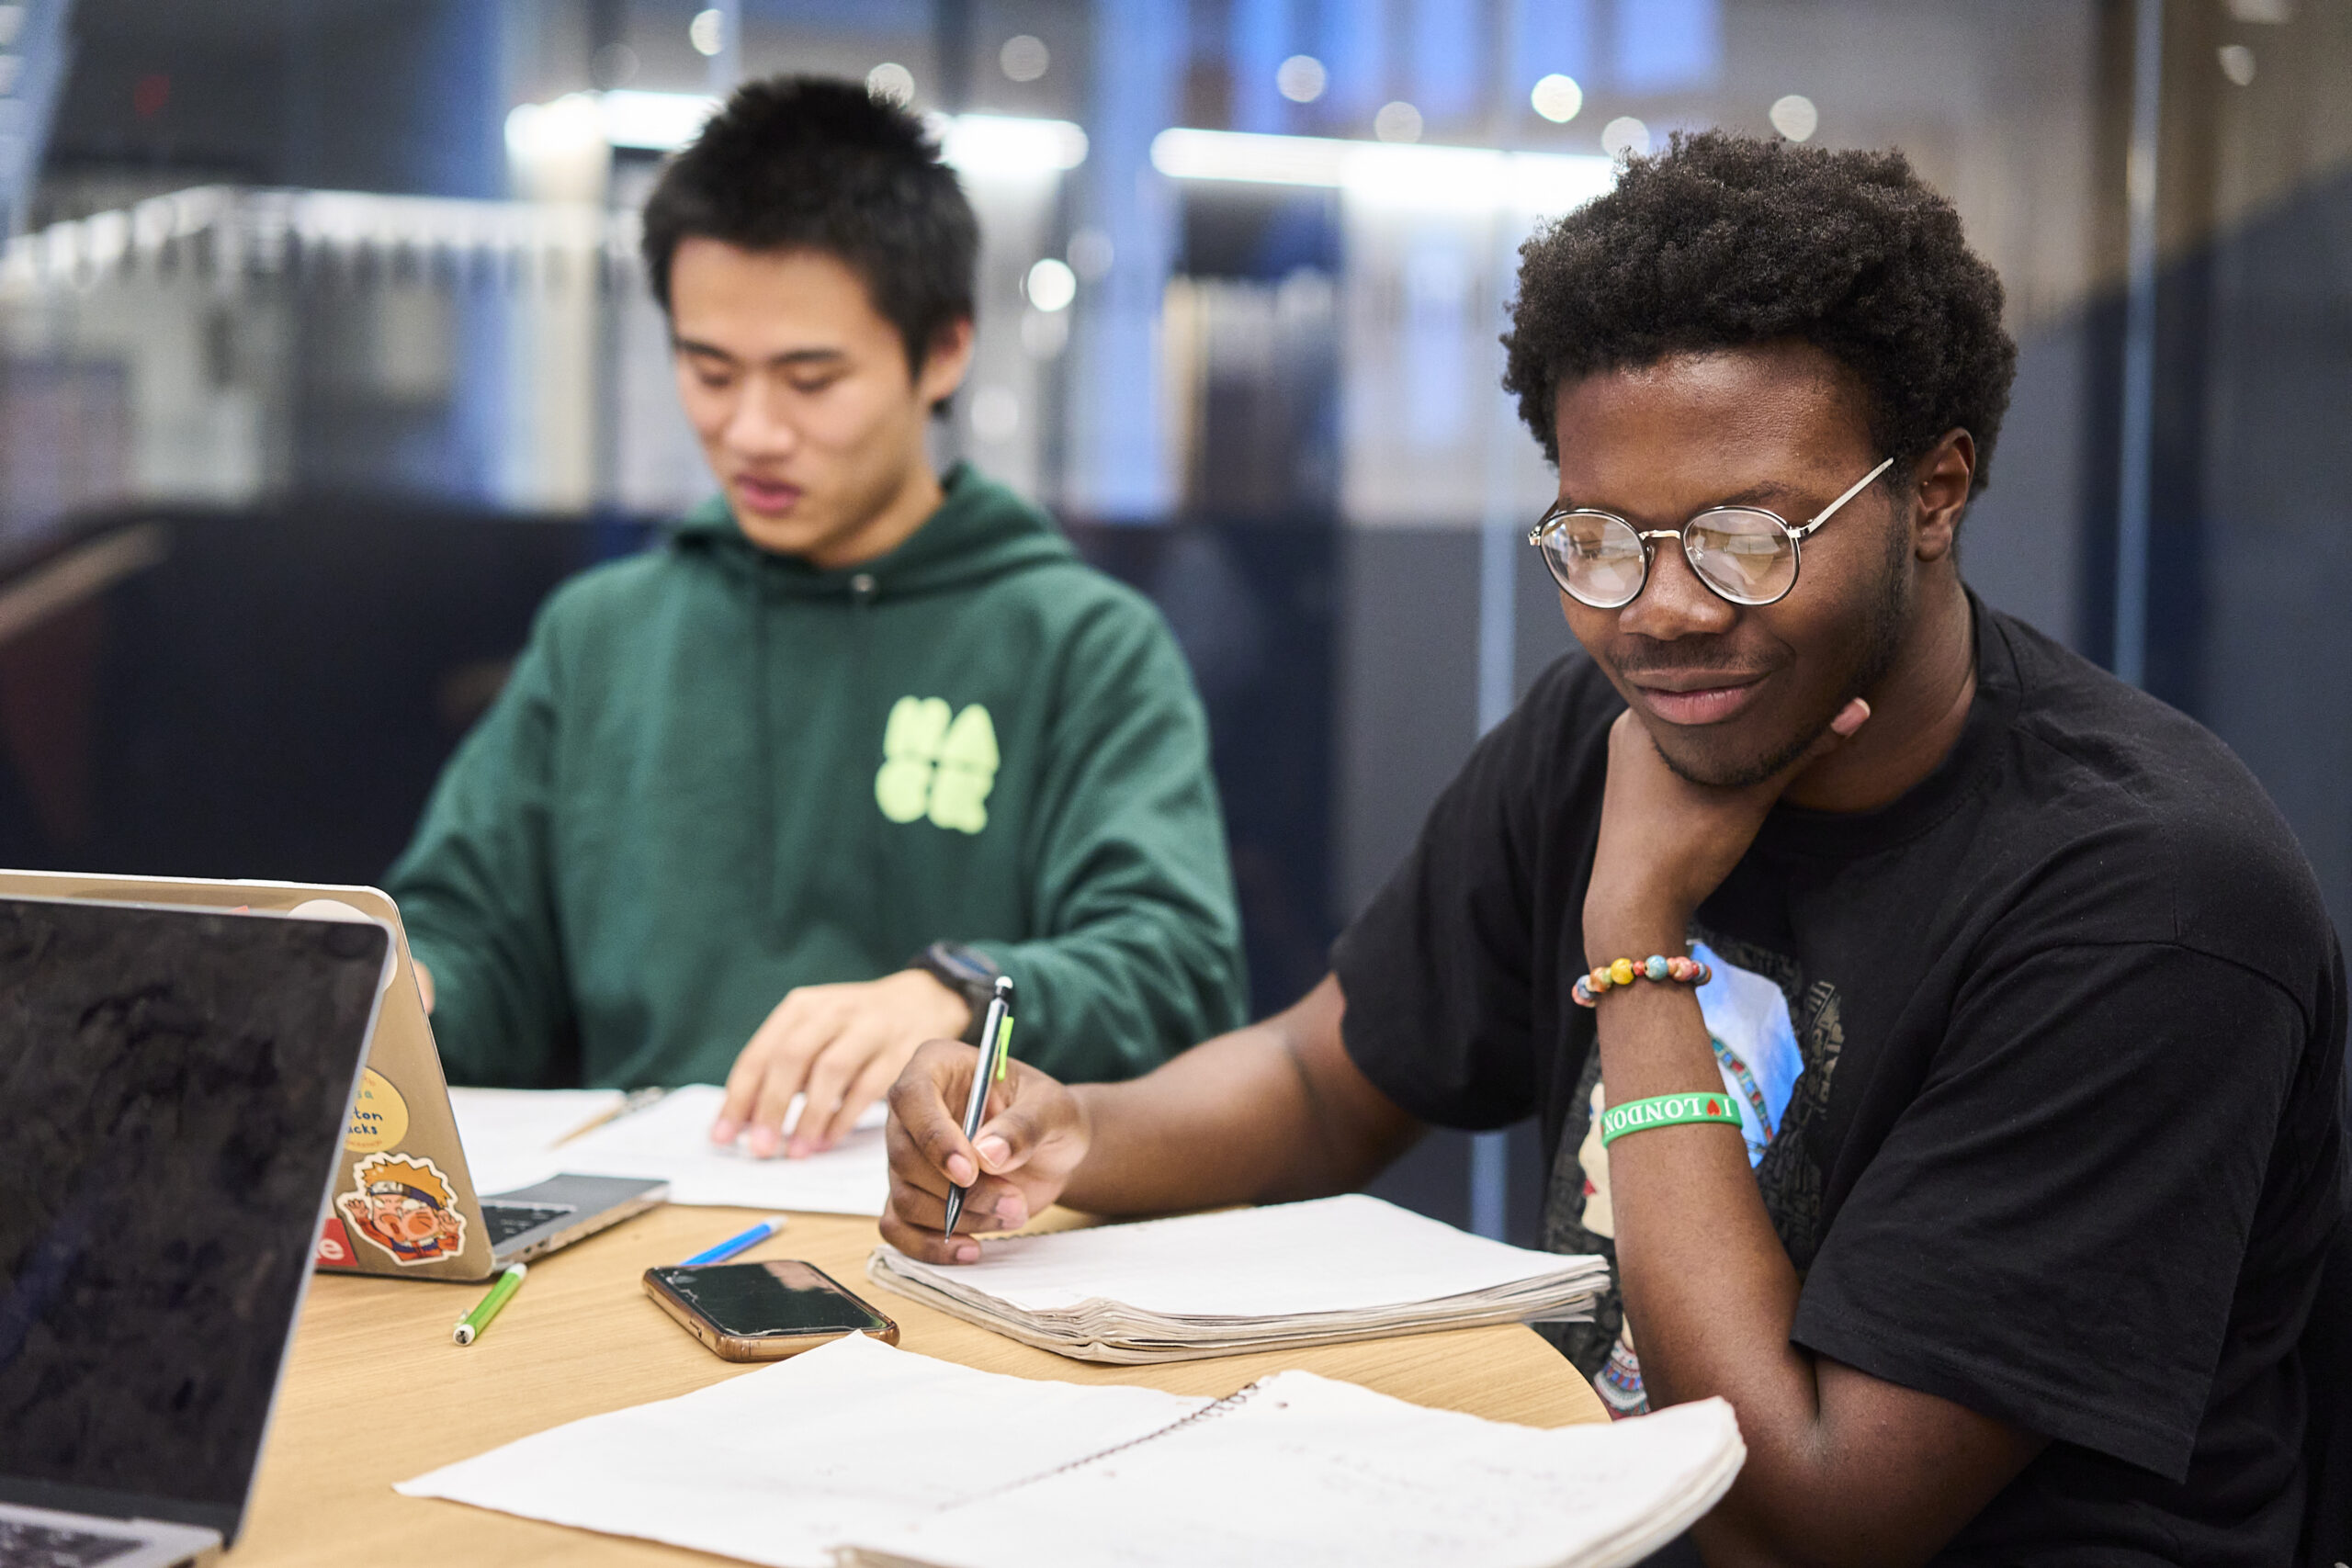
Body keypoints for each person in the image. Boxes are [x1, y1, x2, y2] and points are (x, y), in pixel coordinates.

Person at [882, 132, 2348, 1563]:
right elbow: (1327, 1075)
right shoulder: (1619, 728)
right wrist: (1070, 1130)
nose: (1662, 611)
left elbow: (1808, 1511)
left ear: (1936, 493)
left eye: (1747, 537)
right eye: (1601, 537)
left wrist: (1641, 942)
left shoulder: (2148, 896)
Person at [388, 76, 1248, 1156]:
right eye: (708, 370)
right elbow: (475, 942)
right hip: (636, 1220)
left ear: (941, 351)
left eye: (809, 379)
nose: (749, 430)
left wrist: (956, 993)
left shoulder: (1078, 644)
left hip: (968, 1230)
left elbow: (1176, 970)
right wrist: (400, 989)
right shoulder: (601, 634)